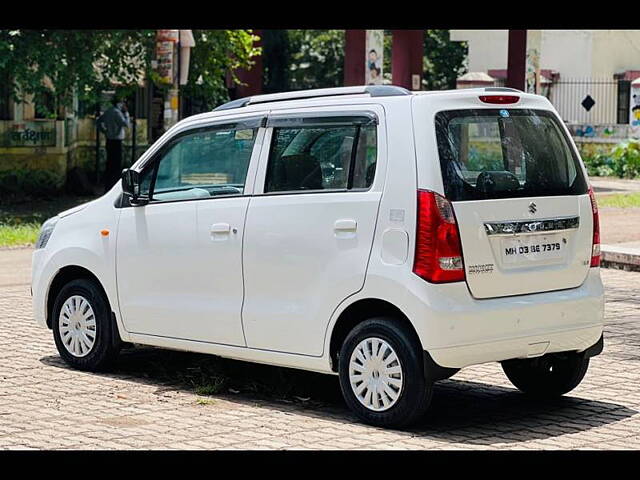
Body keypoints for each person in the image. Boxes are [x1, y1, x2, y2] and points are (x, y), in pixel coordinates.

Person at [96, 97, 131, 192]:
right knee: (116, 164)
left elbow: (98, 121)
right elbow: (125, 124)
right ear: (118, 103)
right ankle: (114, 186)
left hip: (109, 139)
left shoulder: (108, 111)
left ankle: (108, 185)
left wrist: (105, 131)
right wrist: (127, 114)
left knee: (110, 163)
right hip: (116, 140)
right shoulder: (117, 113)